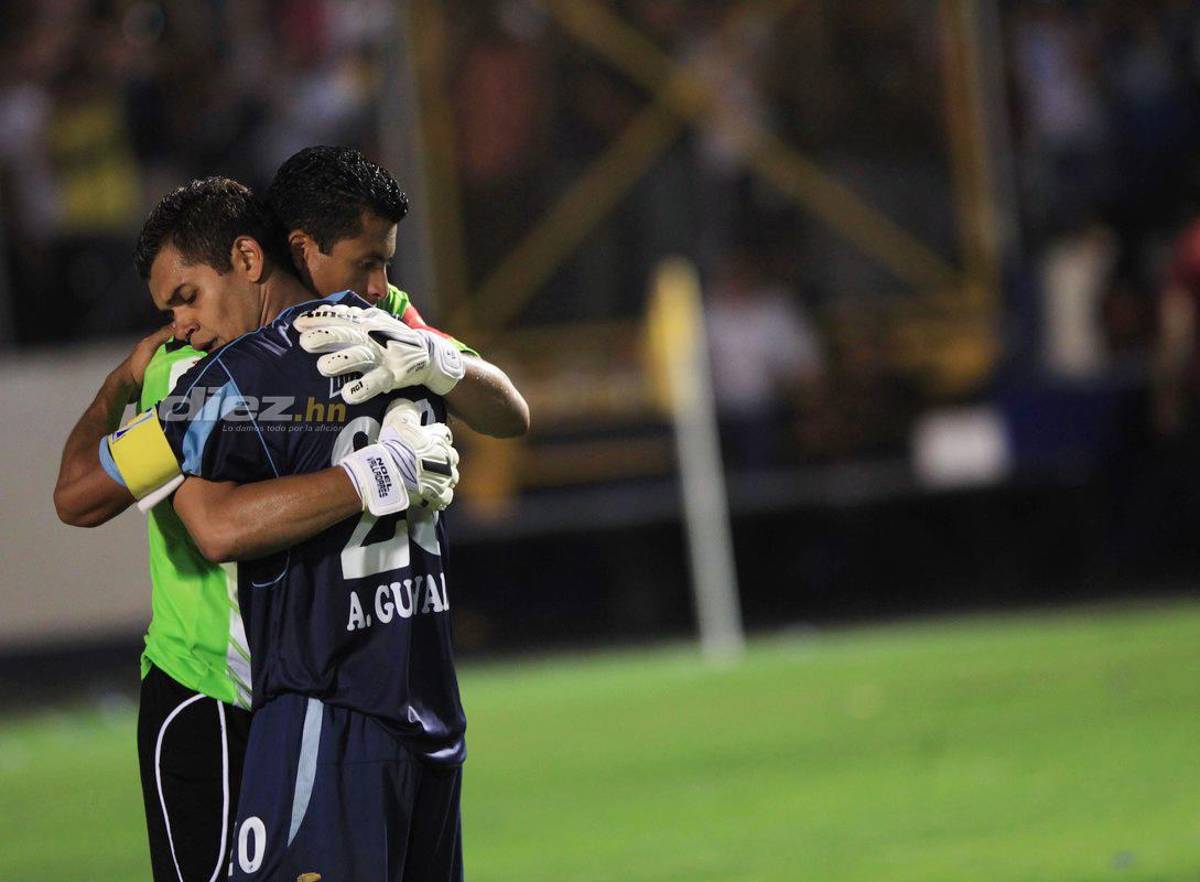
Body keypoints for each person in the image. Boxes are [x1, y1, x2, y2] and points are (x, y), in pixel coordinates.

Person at [53, 152, 526, 881]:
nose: (181, 324)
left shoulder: (385, 322)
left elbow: (509, 410)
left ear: (250, 257)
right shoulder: (186, 373)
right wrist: (119, 386)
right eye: (170, 308)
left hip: (334, 688)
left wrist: (438, 362)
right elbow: (95, 500)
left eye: (187, 296)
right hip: (213, 689)